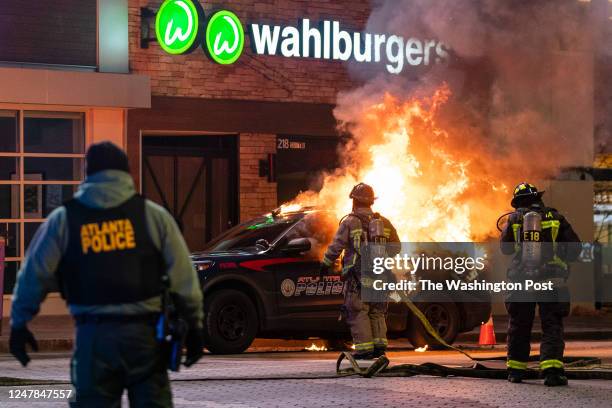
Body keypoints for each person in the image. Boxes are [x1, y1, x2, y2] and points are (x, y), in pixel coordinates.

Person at [9, 141, 204, 407]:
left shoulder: (65, 219)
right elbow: (184, 277)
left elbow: (34, 274)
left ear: (87, 173)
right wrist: (194, 326)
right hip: (144, 337)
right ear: (127, 173)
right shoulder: (152, 215)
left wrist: (19, 324)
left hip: (93, 338)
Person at [500, 182, 581, 386]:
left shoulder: (515, 219)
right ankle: (552, 372)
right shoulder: (556, 218)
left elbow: (506, 249)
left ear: (518, 202)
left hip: (521, 280)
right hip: (551, 280)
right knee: (552, 325)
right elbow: (574, 249)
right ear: (538, 198)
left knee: (519, 325)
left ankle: (516, 371)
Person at [320, 183, 399, 359]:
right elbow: (397, 247)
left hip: (358, 276)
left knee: (358, 311)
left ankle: (364, 350)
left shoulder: (350, 221)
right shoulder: (384, 222)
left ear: (354, 201)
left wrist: (325, 263)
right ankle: (379, 348)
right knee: (377, 311)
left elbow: (336, 246)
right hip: (380, 276)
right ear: (371, 202)